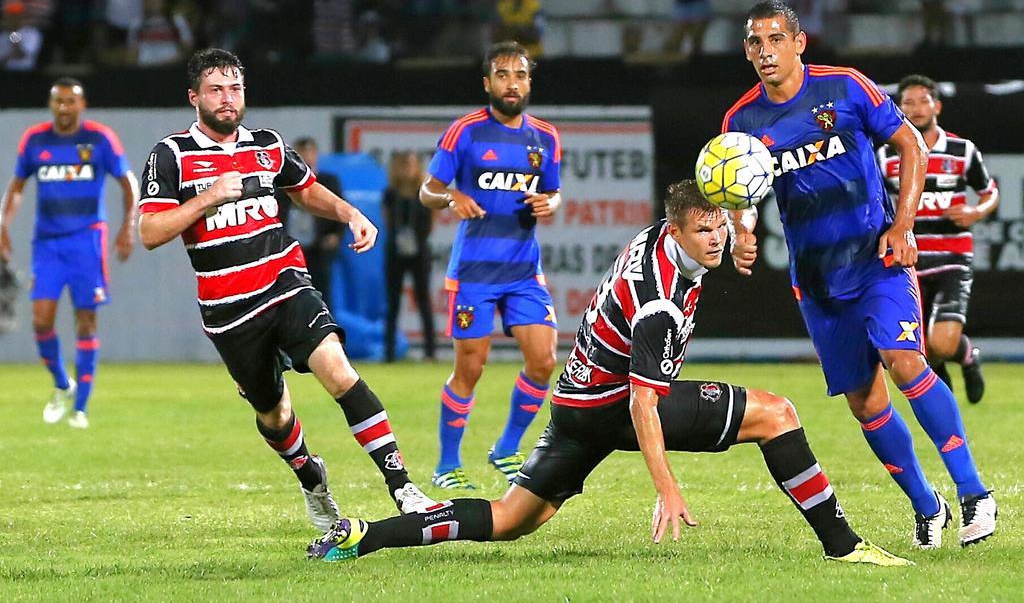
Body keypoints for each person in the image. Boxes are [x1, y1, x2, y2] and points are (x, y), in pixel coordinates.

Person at [307, 180, 911, 567]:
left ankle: (366, 534)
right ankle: (844, 545)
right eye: (705, 230)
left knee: (510, 520)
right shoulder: (659, 304)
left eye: (719, 225)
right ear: (676, 231)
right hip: (613, 403)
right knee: (776, 414)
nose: (716, 236)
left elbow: (721, 197)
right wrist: (667, 489)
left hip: (575, 403)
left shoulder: (661, 235)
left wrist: (741, 228)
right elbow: (644, 407)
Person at [722, 0, 996, 549]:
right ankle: (928, 504)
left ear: (800, 42)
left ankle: (973, 494)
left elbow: (909, 143)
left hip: (877, 258)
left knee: (905, 360)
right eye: (755, 42)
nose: (765, 51)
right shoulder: (741, 121)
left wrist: (903, 224)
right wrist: (741, 229)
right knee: (865, 403)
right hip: (818, 279)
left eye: (776, 39)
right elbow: (740, 189)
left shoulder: (846, 87)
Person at [137, 48, 434, 531]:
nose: (228, 99)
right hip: (229, 309)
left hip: (284, 282)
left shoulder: (267, 145)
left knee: (338, 370)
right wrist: (208, 198)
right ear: (194, 97)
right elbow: (150, 232)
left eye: (235, 88)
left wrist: (350, 213)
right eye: (216, 89)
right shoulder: (171, 154)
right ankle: (310, 476)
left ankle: (402, 486)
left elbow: (306, 189)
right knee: (274, 414)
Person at [420, 41, 561, 489]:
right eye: (502, 75)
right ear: (487, 83)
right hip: (475, 275)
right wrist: (451, 196)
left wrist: (550, 201)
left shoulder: (546, 137)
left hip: (523, 272)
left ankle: (505, 448)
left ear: (529, 82)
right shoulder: (464, 132)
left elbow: (554, 192)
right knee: (471, 368)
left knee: (543, 361)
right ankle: (446, 465)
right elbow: (427, 190)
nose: (512, 83)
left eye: (519, 75)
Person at [0, 78, 139, 429]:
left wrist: (128, 226)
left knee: (86, 320)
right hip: (47, 243)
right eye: (58, 101)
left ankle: (80, 408)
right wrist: (3, 225)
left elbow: (129, 183)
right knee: (41, 320)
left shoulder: (99, 138)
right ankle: (63, 383)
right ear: (51, 105)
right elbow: (16, 187)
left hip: (86, 242)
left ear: (81, 104)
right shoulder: (35, 139)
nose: (64, 108)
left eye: (70, 101)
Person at [878, 74, 998, 402]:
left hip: (952, 256)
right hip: (907, 260)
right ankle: (941, 378)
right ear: (897, 109)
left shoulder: (962, 150)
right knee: (916, 346)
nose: (916, 109)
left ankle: (968, 356)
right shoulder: (885, 156)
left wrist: (975, 213)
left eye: (923, 101)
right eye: (908, 103)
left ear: (937, 106)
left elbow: (989, 192)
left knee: (941, 343)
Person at [276, 137, 344, 304]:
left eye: (309, 151)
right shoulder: (279, 183)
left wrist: (336, 235)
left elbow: (340, 208)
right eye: (301, 152)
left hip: (318, 248)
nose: (305, 156)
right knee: (290, 294)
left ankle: (327, 328)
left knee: (322, 293)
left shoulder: (328, 182)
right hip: (290, 248)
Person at [383, 151, 436, 363]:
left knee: (423, 300)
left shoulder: (424, 193)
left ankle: (430, 352)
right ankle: (389, 352)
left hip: (419, 251)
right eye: (403, 165)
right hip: (395, 251)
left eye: (411, 165)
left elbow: (431, 222)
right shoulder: (390, 193)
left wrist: (416, 241)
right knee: (392, 302)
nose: (407, 169)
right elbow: (387, 220)